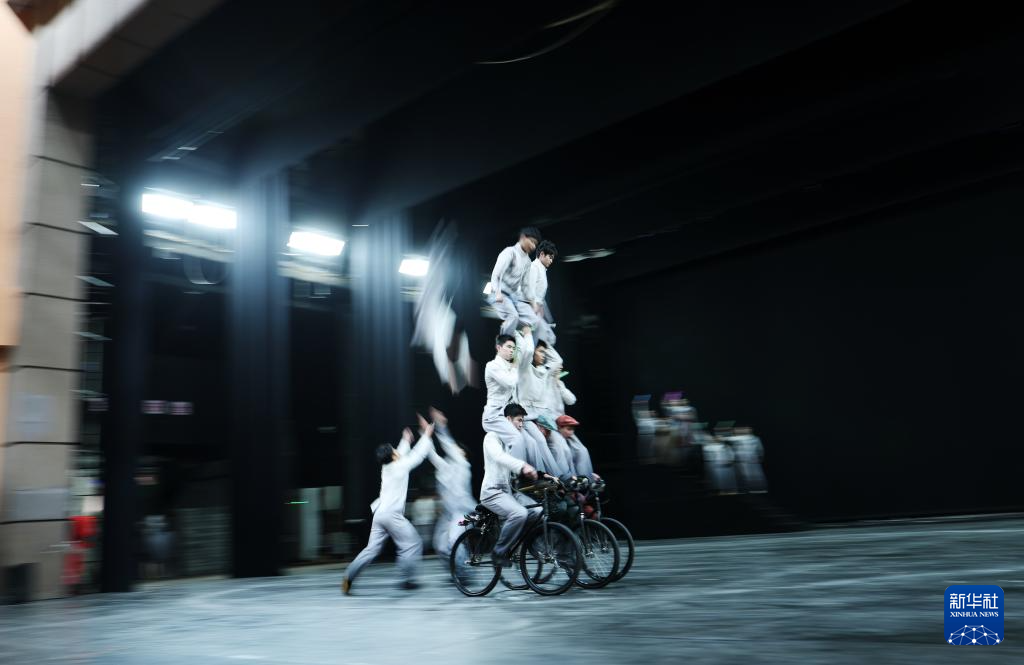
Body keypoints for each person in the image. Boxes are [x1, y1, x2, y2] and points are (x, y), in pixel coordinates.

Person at [342, 417, 435, 595]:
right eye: (394, 450)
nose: (396, 451)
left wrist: (405, 440)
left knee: (371, 550)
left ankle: (348, 577)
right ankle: (406, 579)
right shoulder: (400, 466)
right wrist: (427, 435)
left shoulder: (387, 467)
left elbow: (400, 453)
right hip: (392, 515)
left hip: (379, 515)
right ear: (392, 455)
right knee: (413, 542)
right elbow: (417, 455)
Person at [480, 403, 541, 569]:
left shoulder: (511, 442)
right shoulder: (492, 437)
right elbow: (499, 457)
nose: (521, 425)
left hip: (508, 492)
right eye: (519, 420)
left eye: (523, 421)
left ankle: (524, 542)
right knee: (519, 513)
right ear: (507, 419)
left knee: (537, 511)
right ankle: (498, 552)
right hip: (492, 492)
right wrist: (522, 466)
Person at [425, 407, 475, 560]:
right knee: (440, 546)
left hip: (465, 514)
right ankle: (459, 568)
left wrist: (441, 426)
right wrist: (425, 435)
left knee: (453, 542)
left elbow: (448, 444)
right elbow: (433, 456)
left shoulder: (463, 464)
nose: (454, 450)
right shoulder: (448, 468)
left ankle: (464, 569)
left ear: (463, 453)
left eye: (458, 449)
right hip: (449, 515)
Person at [482, 329, 534, 461]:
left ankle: (535, 471)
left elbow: (527, 351)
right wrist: (515, 366)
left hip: (508, 414)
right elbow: (510, 382)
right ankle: (519, 472)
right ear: (499, 347)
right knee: (517, 439)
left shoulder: (510, 366)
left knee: (531, 443)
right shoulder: (492, 365)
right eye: (509, 347)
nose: (512, 350)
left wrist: (523, 334)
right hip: (493, 416)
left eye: (513, 348)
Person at [488, 227, 541, 337]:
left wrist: (533, 303)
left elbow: (525, 285)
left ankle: (517, 337)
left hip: (514, 297)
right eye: (532, 242)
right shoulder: (509, 252)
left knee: (535, 320)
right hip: (498, 294)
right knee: (513, 316)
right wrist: (497, 292)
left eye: (535, 244)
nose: (533, 246)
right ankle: (504, 341)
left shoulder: (527, 261)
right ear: (523, 238)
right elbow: (496, 275)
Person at [523, 240, 557, 346]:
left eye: (552, 258)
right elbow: (529, 290)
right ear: (542, 254)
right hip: (531, 311)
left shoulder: (542, 269)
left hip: (536, 311)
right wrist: (535, 307)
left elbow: (539, 296)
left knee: (547, 339)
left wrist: (546, 315)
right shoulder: (533, 267)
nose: (551, 261)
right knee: (547, 339)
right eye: (550, 257)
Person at [556, 414, 595, 478]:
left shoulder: (571, 442)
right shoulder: (558, 444)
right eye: (569, 429)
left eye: (573, 430)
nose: (571, 433)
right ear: (559, 428)